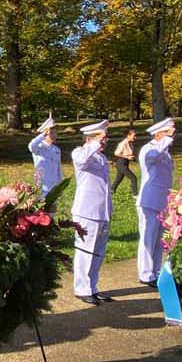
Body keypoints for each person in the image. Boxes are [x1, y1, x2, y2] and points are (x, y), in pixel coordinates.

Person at [70, 120, 113, 305]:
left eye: (105, 137)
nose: (104, 141)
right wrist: (95, 142)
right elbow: (81, 160)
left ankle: (93, 287)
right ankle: (82, 288)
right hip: (86, 211)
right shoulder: (80, 153)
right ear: (90, 138)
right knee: (85, 251)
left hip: (101, 211)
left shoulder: (101, 158)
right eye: (101, 137)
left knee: (98, 252)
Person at [136, 118, 177, 286]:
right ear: (159, 134)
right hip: (150, 200)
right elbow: (151, 158)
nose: (172, 136)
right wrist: (166, 139)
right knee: (148, 236)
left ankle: (155, 271)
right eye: (168, 132)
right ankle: (145, 273)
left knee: (159, 239)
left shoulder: (164, 151)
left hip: (162, 199)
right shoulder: (149, 149)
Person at [28, 117, 64, 195]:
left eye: (55, 133)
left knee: (53, 206)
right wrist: (42, 135)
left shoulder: (56, 150)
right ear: (45, 135)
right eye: (52, 133)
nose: (55, 135)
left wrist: (60, 184)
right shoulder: (39, 147)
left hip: (53, 186)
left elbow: (58, 168)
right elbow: (31, 146)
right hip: (42, 186)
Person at [110, 127, 139, 195]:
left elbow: (128, 154)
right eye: (134, 136)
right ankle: (135, 195)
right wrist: (127, 157)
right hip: (121, 163)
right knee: (133, 178)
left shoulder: (130, 143)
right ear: (128, 135)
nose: (135, 137)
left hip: (125, 163)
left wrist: (131, 158)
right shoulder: (123, 143)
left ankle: (111, 191)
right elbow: (116, 153)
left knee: (119, 178)